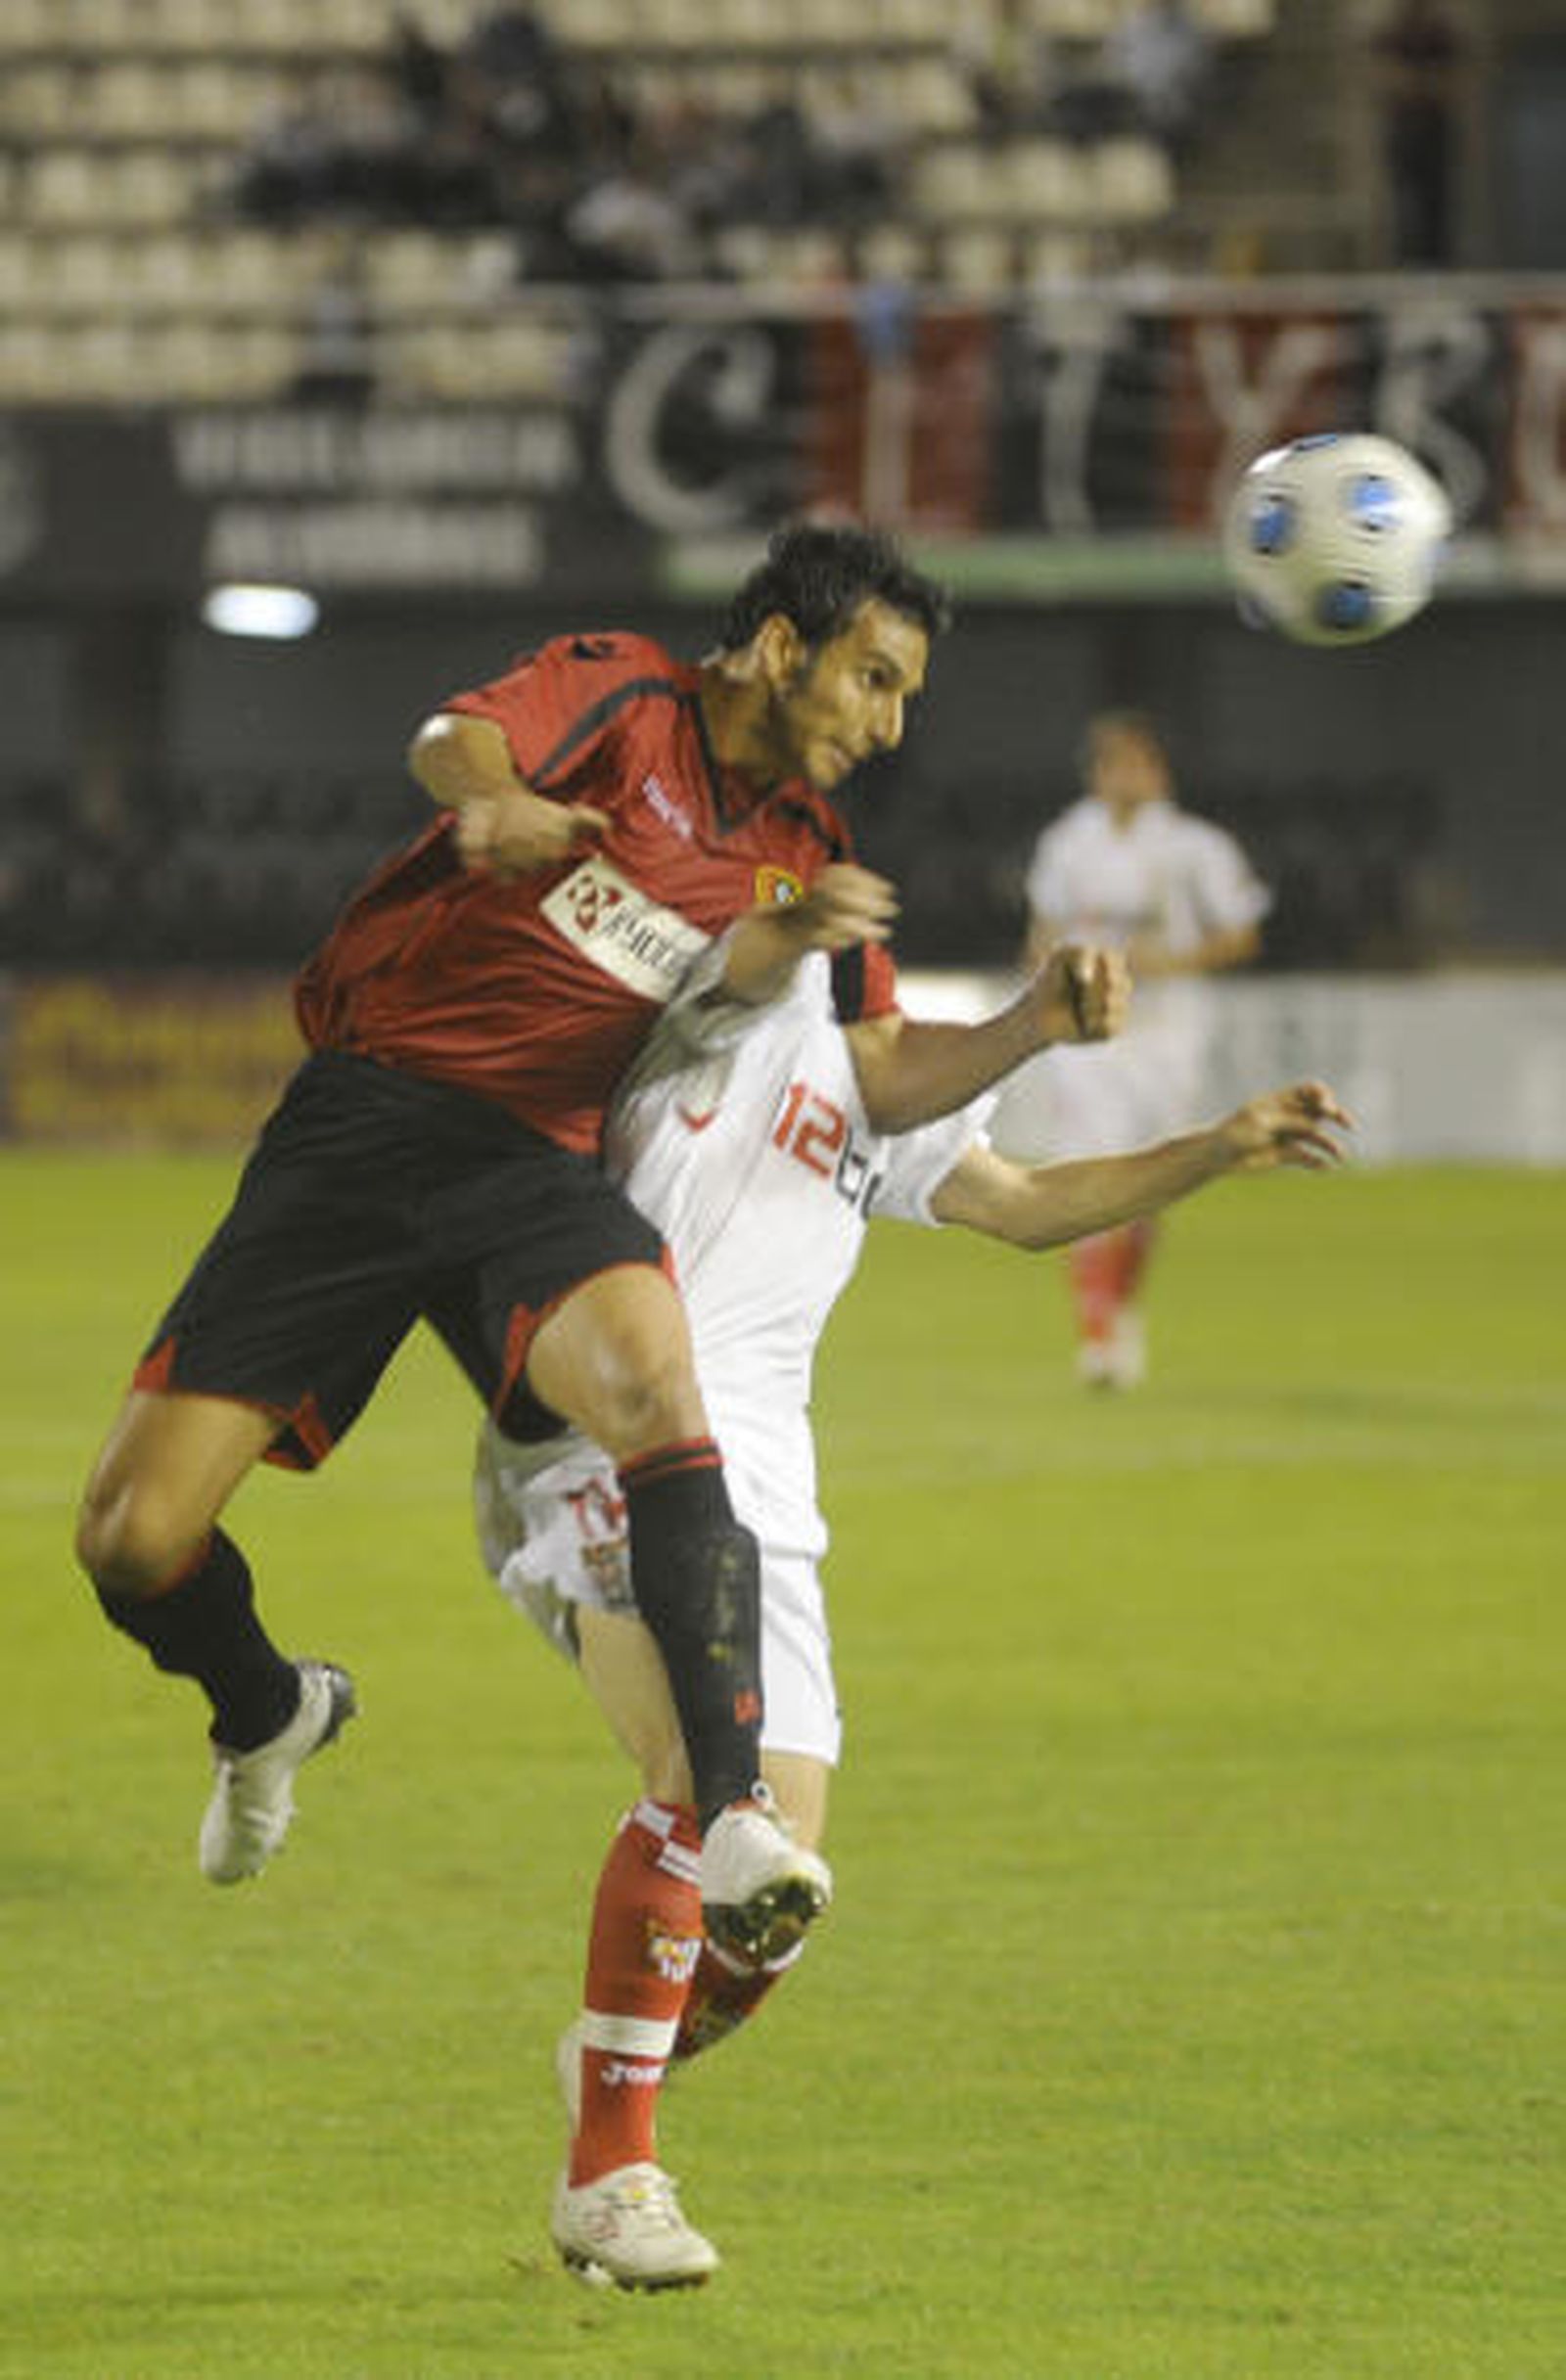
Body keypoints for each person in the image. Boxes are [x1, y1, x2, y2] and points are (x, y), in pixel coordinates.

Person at [72, 522, 1125, 1956]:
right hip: (367, 1125)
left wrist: (1029, 1027)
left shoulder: (807, 853)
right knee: (135, 1539)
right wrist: (493, 803)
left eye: (905, 698)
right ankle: (269, 1709)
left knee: (654, 1382)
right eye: (872, 680)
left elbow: (875, 1068)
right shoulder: (628, 699)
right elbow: (457, 735)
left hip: (538, 1157)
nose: (886, 725)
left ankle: (737, 1806)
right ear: (773, 648)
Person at [474, 896, 1348, 2289]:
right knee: (708, 1789)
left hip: (765, 1487)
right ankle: (611, 2172)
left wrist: (1221, 1148)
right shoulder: (683, 1015)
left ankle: (612, 2066)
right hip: (611, 1420)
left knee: (775, 1908)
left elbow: (1022, 1206)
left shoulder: (877, 1081)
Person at [995, 709, 1269, 1390]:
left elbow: (1241, 934)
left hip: (1171, 1031)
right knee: (1087, 1165)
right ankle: (1096, 1334)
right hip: (1089, 1032)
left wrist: (1168, 964)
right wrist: (1054, 975)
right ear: (1096, 771)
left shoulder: (1194, 846)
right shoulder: (1068, 840)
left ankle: (1121, 1311)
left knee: (1150, 1180)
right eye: (1113, 761)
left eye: (1138, 761)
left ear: (1159, 770)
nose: (1126, 773)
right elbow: (1043, 928)